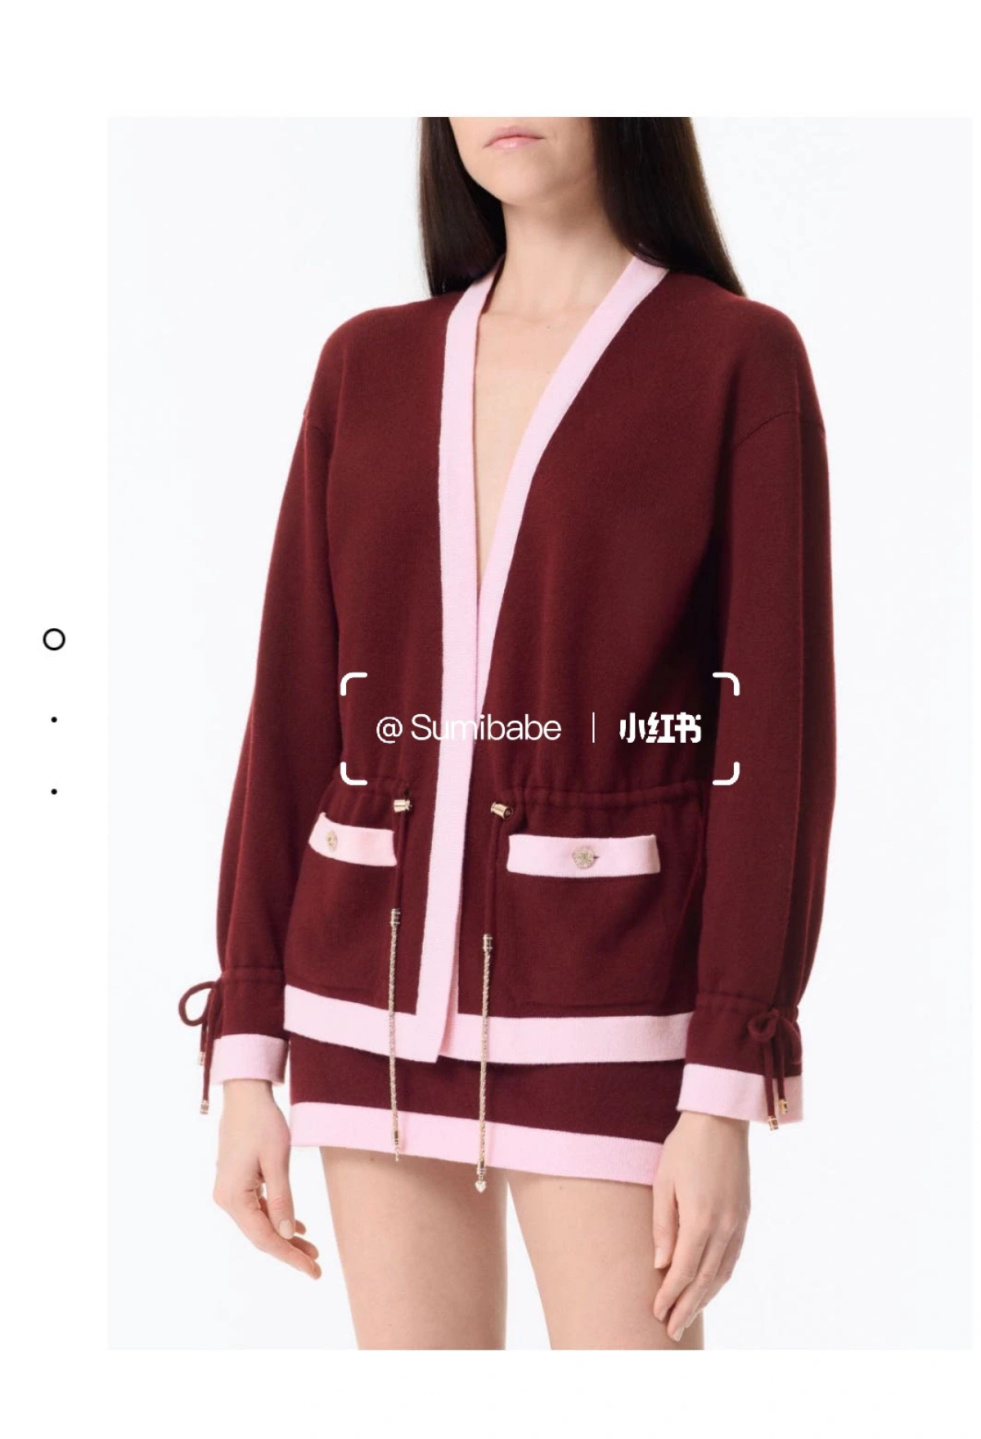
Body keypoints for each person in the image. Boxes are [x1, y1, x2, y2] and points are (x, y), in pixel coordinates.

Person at [178, 116, 836, 1350]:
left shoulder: (733, 357)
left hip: (610, 994)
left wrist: (723, 1082)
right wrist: (249, 1047)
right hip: (362, 994)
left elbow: (771, 745)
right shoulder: (366, 363)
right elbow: (292, 712)